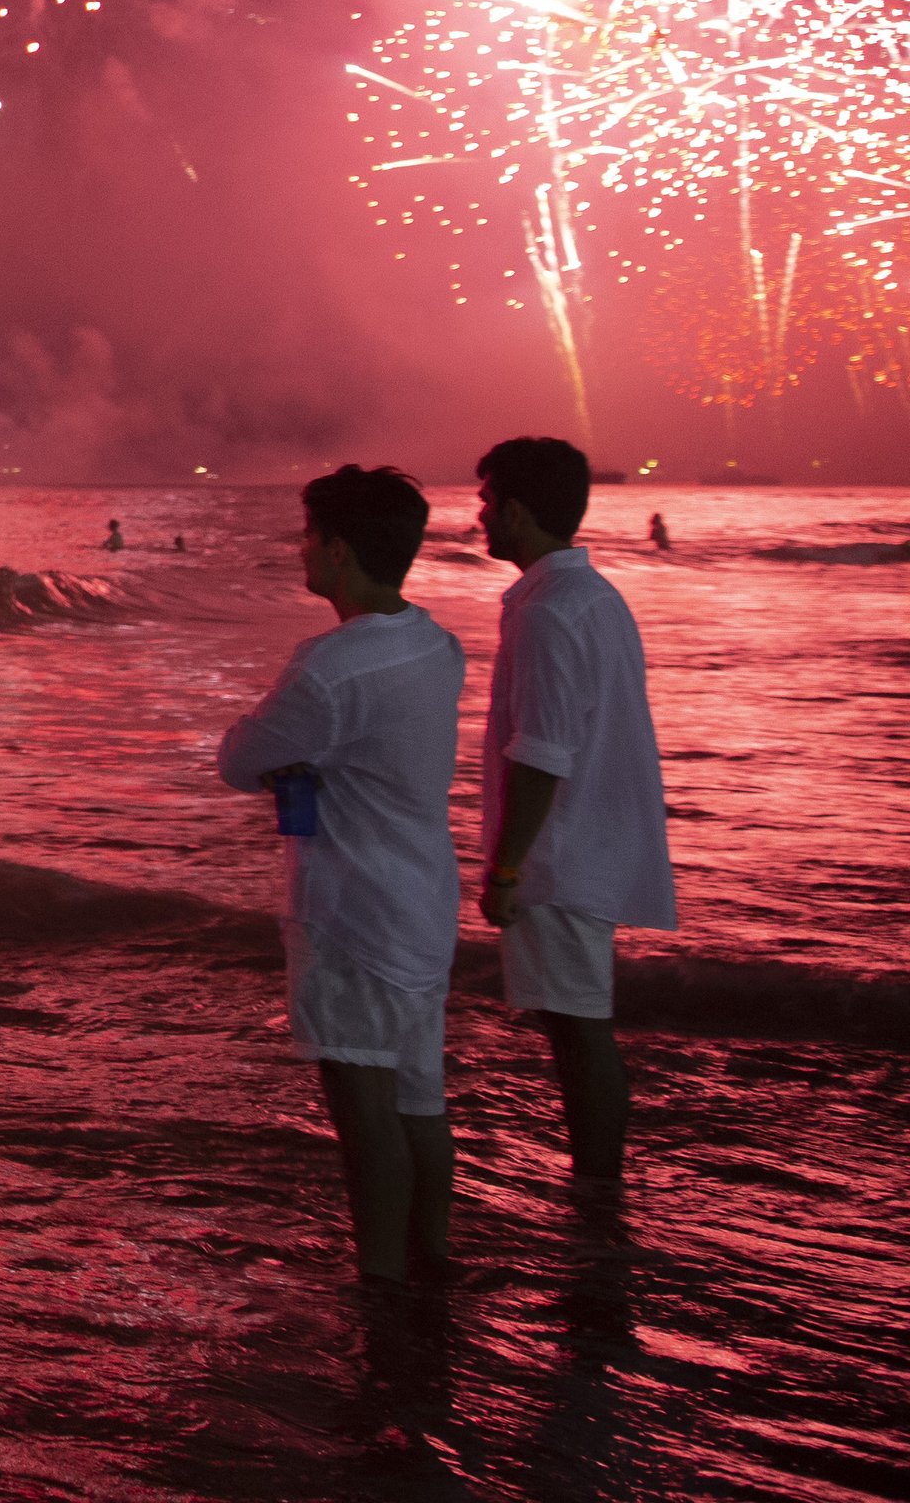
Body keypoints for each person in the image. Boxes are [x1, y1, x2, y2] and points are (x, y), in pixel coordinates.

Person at [216, 465, 466, 1284]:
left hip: (353, 916)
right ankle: (432, 1261)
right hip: (424, 906)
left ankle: (385, 1288)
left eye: (310, 534)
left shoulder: (329, 669)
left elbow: (240, 759)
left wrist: (282, 757)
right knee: (421, 1104)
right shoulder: (437, 643)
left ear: (341, 550)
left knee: (365, 1118)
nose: (302, 548)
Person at [475, 436, 678, 1196]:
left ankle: (598, 1191)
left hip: (563, 851)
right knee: (576, 1023)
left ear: (519, 512)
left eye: (489, 502)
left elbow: (541, 754)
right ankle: (598, 1182)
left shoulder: (550, 611)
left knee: (577, 1028)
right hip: (595, 837)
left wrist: (506, 866)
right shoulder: (592, 597)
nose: (481, 516)